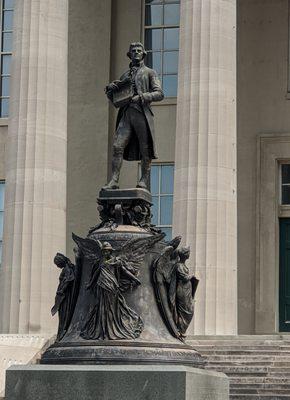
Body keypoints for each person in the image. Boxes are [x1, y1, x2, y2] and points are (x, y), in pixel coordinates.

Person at [103, 42, 164, 190]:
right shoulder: (124, 75)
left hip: (141, 112)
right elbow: (117, 100)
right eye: (133, 51)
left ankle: (143, 179)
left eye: (139, 50)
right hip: (126, 113)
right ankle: (114, 180)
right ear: (130, 55)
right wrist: (111, 91)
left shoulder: (150, 72)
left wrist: (142, 96)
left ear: (143, 54)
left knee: (145, 147)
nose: (136, 52)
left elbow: (159, 93)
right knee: (117, 146)